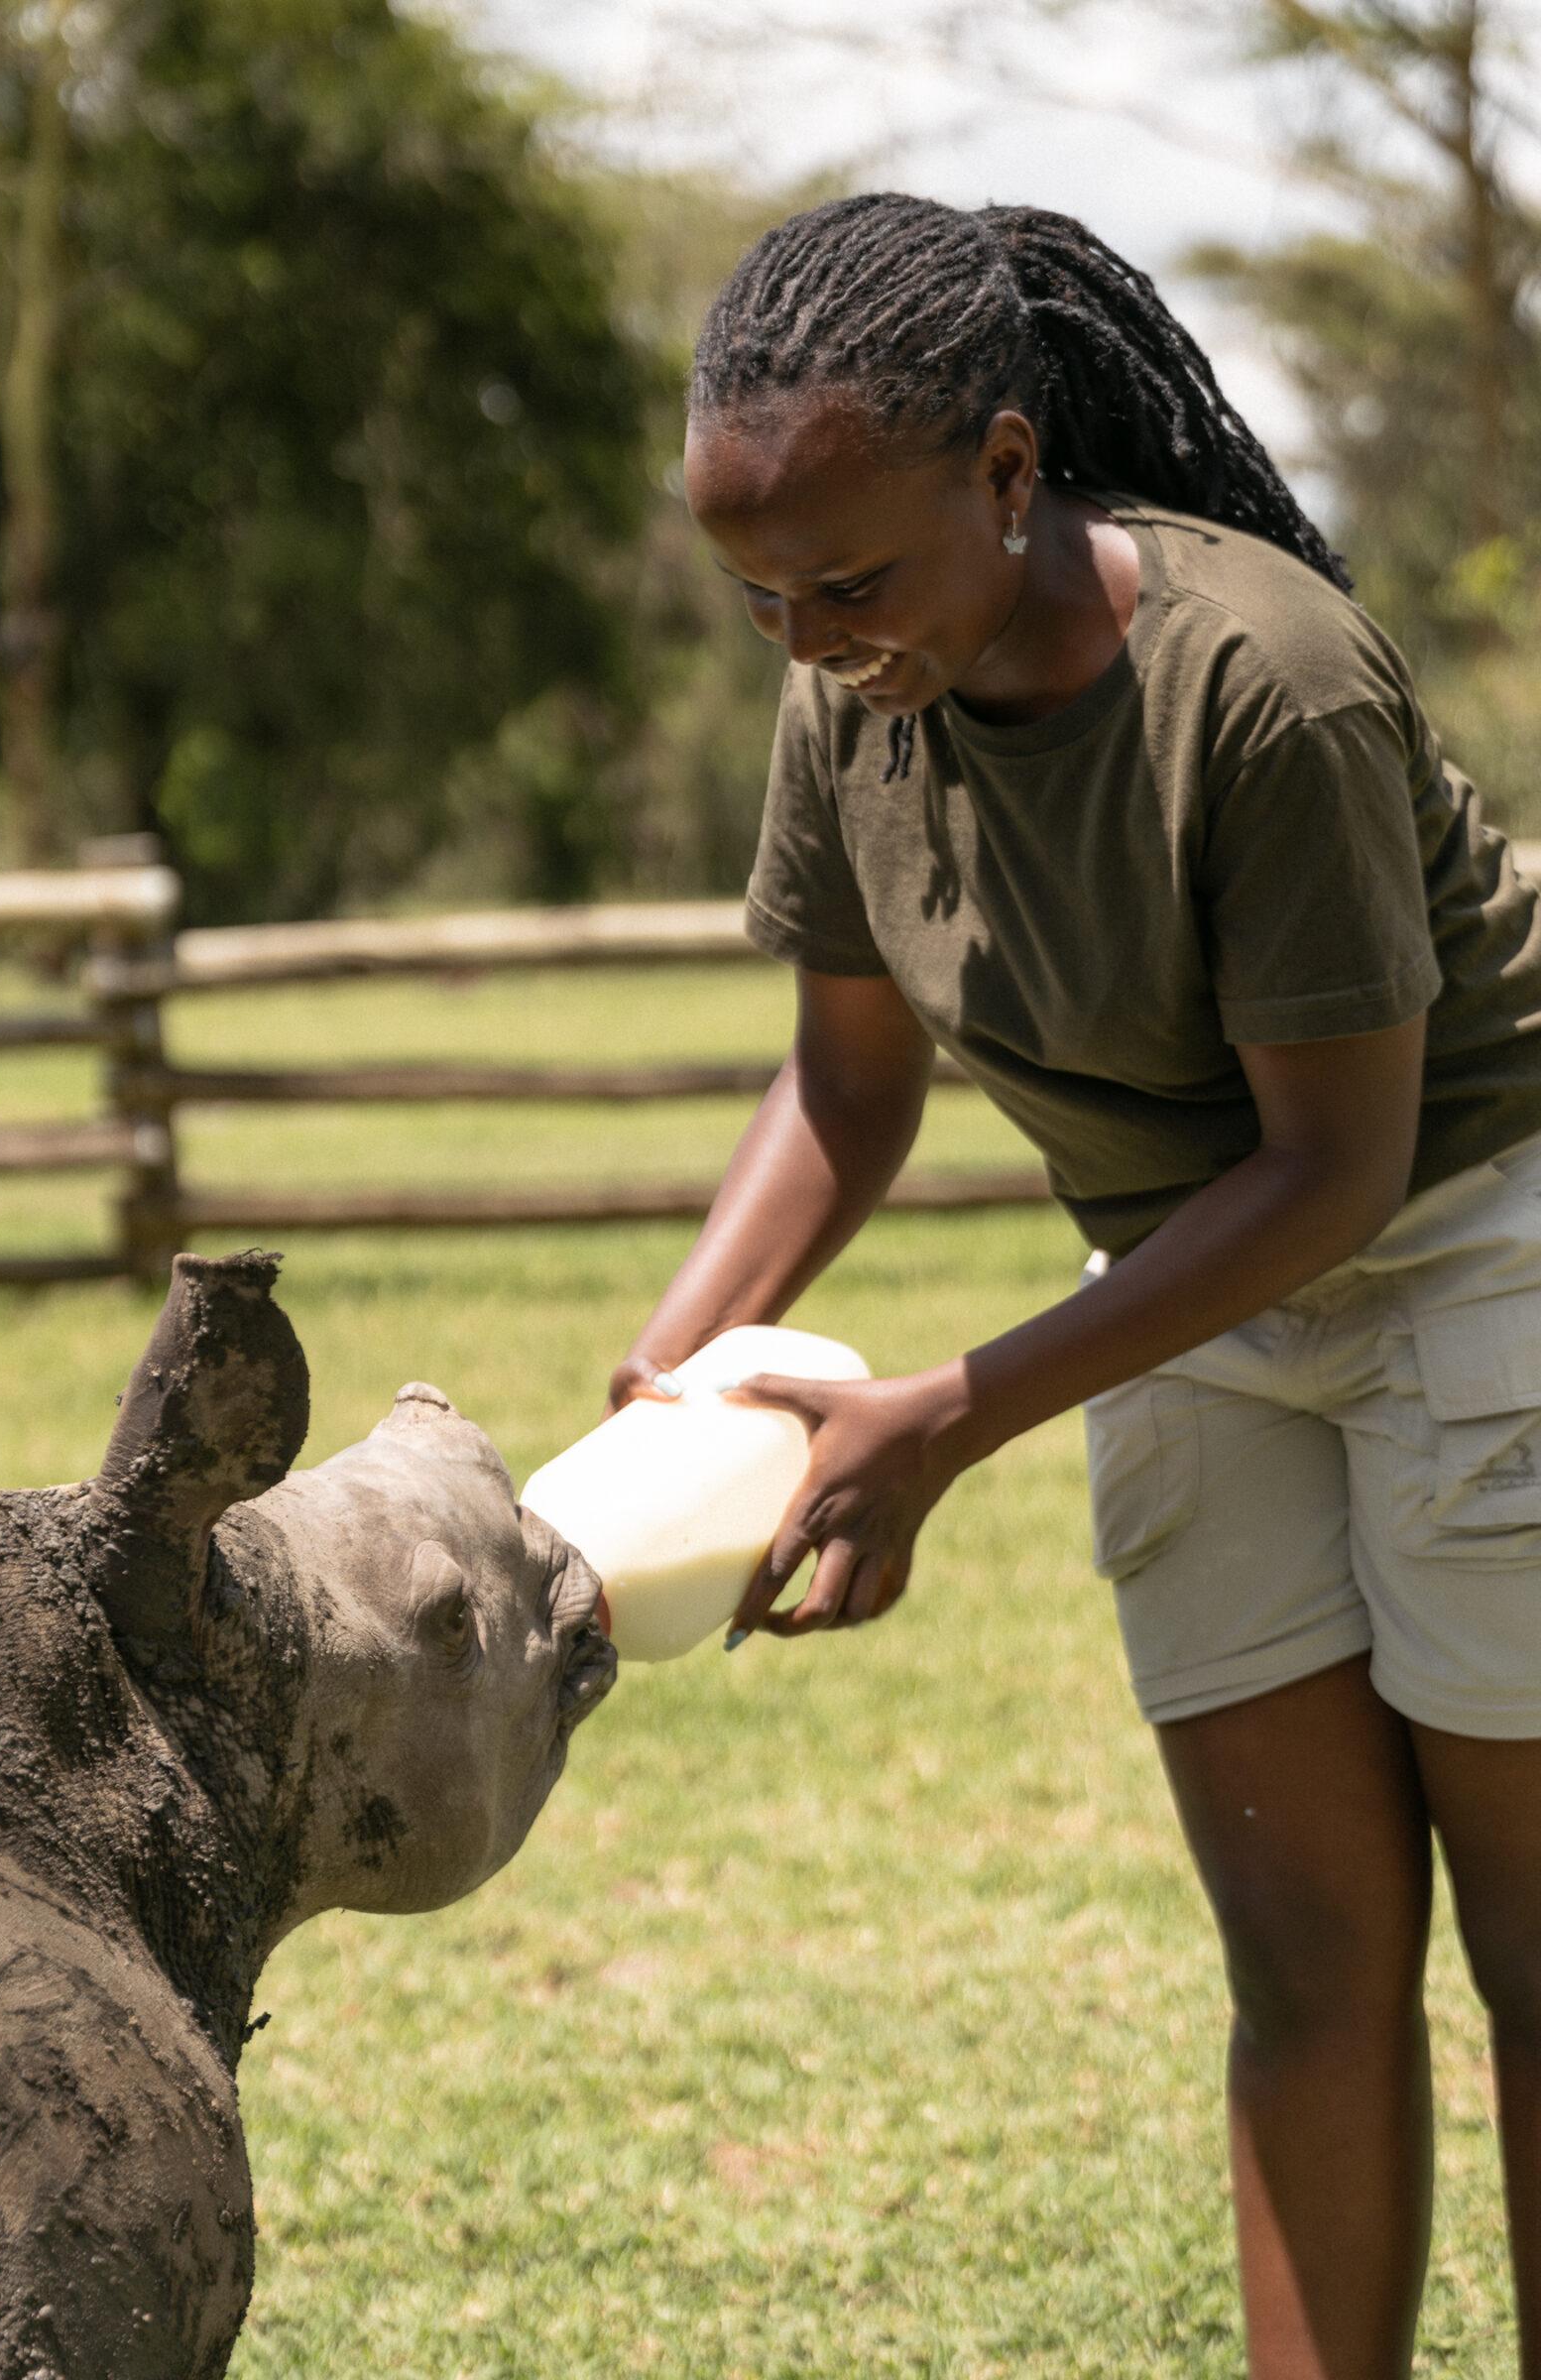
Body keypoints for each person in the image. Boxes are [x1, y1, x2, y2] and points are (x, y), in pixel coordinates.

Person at [607, 191, 1541, 2378]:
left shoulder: (1264, 682)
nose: (812, 636)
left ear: (1011, 474)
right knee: (1304, 1962)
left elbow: (1340, 1167)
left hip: (1472, 1258)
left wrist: (951, 1413)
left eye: (850, 580)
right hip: (1185, 1298)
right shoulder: (857, 691)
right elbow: (849, 1086)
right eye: (759, 599)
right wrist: (672, 1364)